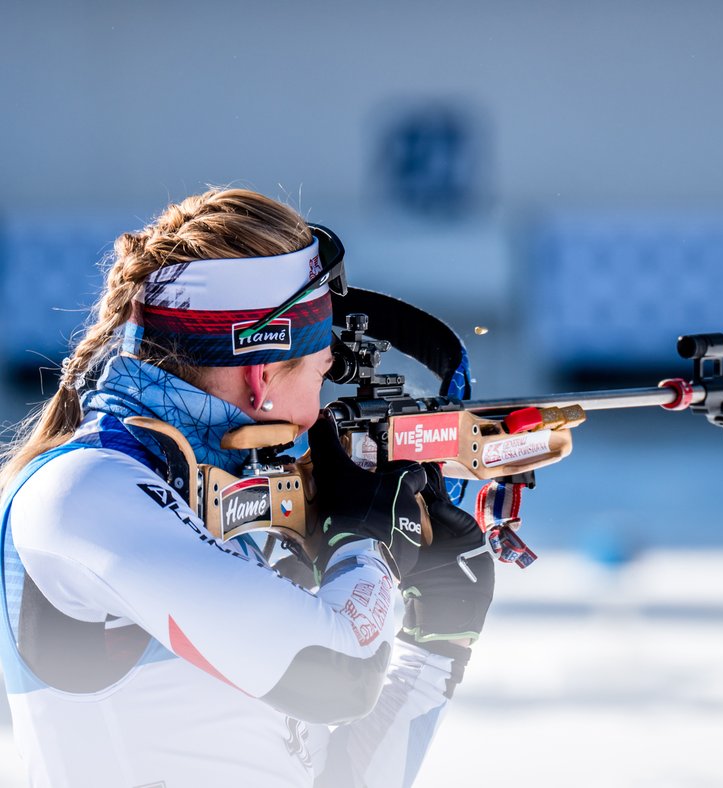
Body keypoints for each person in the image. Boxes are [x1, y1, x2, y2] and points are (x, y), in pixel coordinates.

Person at [0, 188, 495, 787]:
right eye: (320, 374)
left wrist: (438, 640)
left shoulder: (224, 493)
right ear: (260, 376)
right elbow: (341, 675)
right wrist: (365, 544)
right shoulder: (85, 491)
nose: (318, 413)